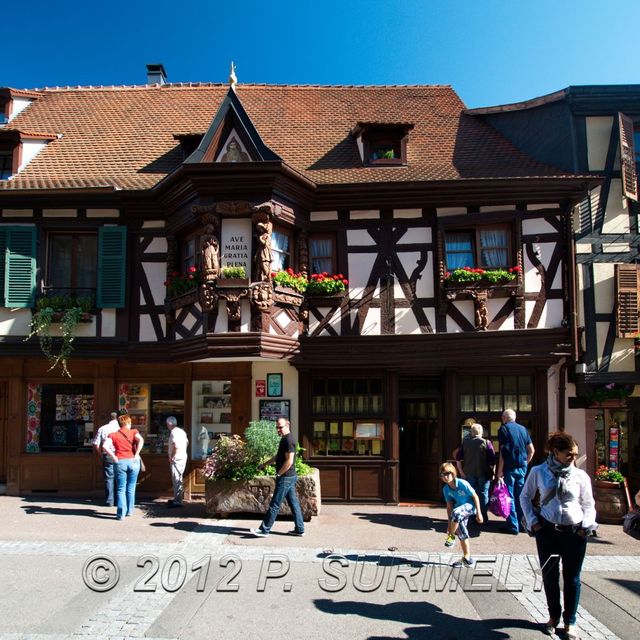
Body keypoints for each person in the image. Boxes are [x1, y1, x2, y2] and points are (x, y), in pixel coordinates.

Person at [520, 432, 597, 640]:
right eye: (569, 454)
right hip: (547, 531)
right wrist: (533, 522)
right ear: (556, 452)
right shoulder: (538, 472)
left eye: (575, 454)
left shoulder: (580, 476)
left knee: (572, 579)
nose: (574, 458)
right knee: (550, 577)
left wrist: (586, 526)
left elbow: (589, 504)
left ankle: (570, 622)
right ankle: (553, 617)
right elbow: (525, 496)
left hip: (574, 532)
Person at [251, 418, 305, 537]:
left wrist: (279, 474)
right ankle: (300, 529)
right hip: (288, 477)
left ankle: (264, 530)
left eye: (280, 427)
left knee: (275, 504)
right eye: (277, 427)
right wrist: (264, 464)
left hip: (286, 477)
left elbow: (289, 461)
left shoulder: (289, 440)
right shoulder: (284, 439)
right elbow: (278, 456)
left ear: (287, 425)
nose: (278, 429)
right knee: (294, 503)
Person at [496, 408, 535, 534]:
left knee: (510, 496)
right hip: (521, 467)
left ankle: (513, 526)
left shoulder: (504, 429)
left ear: (504, 418)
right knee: (521, 496)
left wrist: (500, 470)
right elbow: (532, 450)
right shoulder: (523, 429)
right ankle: (522, 524)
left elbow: (503, 450)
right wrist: (525, 463)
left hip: (509, 466)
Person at [440, 462, 483, 568]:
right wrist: (449, 524)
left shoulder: (462, 483)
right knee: (461, 532)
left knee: (456, 512)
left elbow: (475, 497)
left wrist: (479, 513)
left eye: (447, 473)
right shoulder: (446, 489)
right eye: (442, 475)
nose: (445, 477)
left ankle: (451, 536)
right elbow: (449, 507)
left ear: (453, 473)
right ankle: (467, 558)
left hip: (470, 506)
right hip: (459, 511)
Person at [103, 413, 144, 520]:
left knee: (121, 488)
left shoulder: (113, 434)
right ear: (128, 423)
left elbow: (104, 446)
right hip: (133, 462)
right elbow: (141, 440)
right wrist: (137, 454)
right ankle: (130, 511)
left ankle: (121, 514)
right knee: (131, 488)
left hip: (120, 462)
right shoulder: (134, 432)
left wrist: (113, 457)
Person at [455, 423, 496, 522]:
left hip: (469, 473)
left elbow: (458, 458)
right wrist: (493, 473)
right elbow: (492, 461)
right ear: (481, 432)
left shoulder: (465, 443)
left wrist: (461, 471)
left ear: (471, 432)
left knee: (470, 494)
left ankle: (472, 516)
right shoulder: (487, 443)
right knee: (483, 495)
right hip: (484, 473)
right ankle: (483, 517)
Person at [92, 412, 120, 506]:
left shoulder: (102, 428)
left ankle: (110, 500)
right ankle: (119, 500)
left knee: (109, 478)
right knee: (120, 477)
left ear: (110, 418)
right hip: (119, 455)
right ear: (118, 418)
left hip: (107, 455)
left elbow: (96, 444)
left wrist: (101, 454)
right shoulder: (120, 429)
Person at [166, 416, 189, 508]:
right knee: (178, 478)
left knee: (176, 479)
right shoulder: (182, 431)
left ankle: (178, 501)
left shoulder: (174, 432)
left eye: (167, 424)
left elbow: (176, 445)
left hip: (177, 459)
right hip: (182, 456)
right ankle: (177, 498)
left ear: (169, 424)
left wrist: (172, 456)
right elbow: (187, 443)